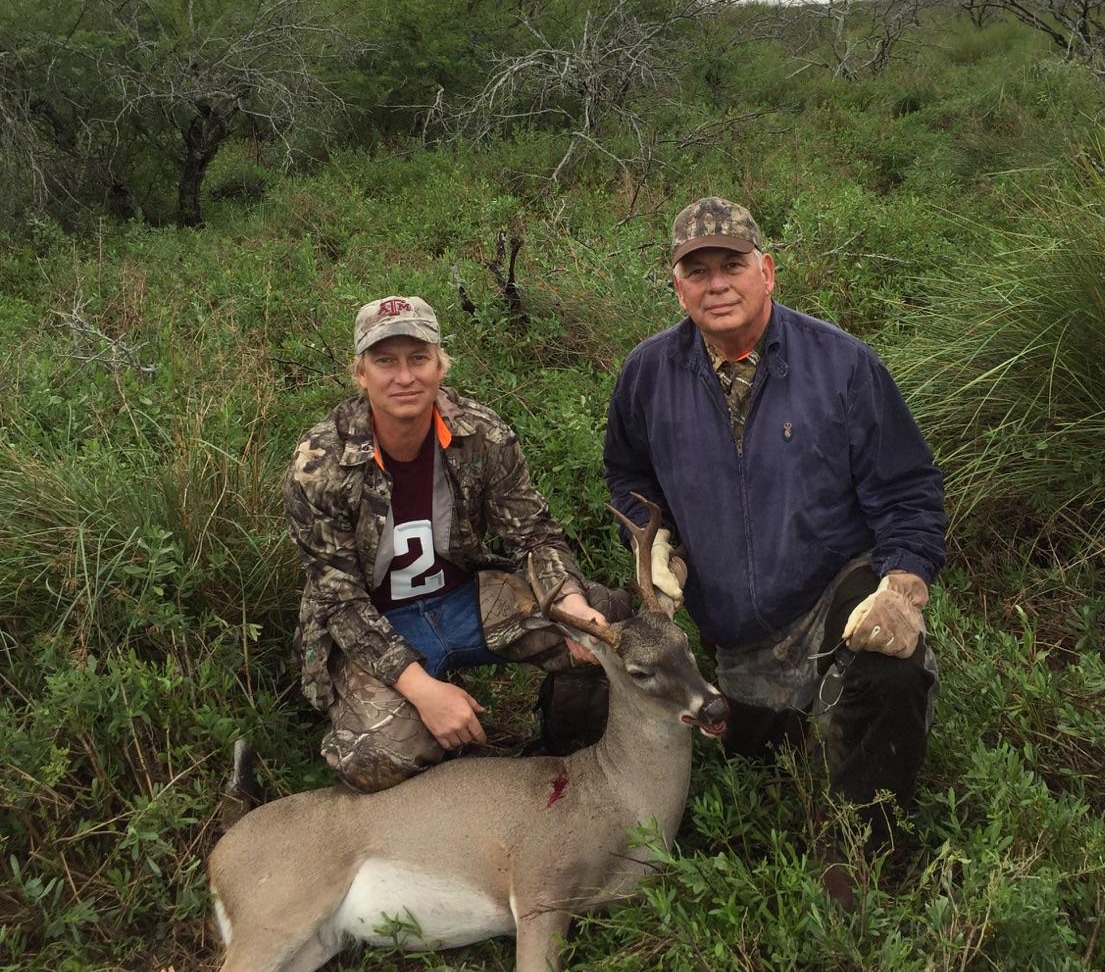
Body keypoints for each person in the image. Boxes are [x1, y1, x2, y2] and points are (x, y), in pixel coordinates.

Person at [604, 197, 946, 904]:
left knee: (891, 670)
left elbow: (908, 490)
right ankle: (786, 720)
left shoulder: (844, 366)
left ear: (768, 272)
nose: (716, 284)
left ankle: (863, 853)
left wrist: (903, 588)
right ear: (677, 286)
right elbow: (626, 476)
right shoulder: (646, 374)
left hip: (830, 592)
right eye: (697, 271)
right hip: (729, 625)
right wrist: (654, 537)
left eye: (732, 265)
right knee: (740, 731)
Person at [284, 295, 623, 793]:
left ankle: (562, 758)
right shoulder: (319, 465)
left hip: (462, 599)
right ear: (360, 373)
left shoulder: (482, 434)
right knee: (380, 755)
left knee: (602, 627)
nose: (405, 377)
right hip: (374, 623)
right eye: (385, 361)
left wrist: (570, 606)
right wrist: (421, 690)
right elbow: (339, 600)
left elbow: (535, 534)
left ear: (441, 364)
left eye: (419, 358)